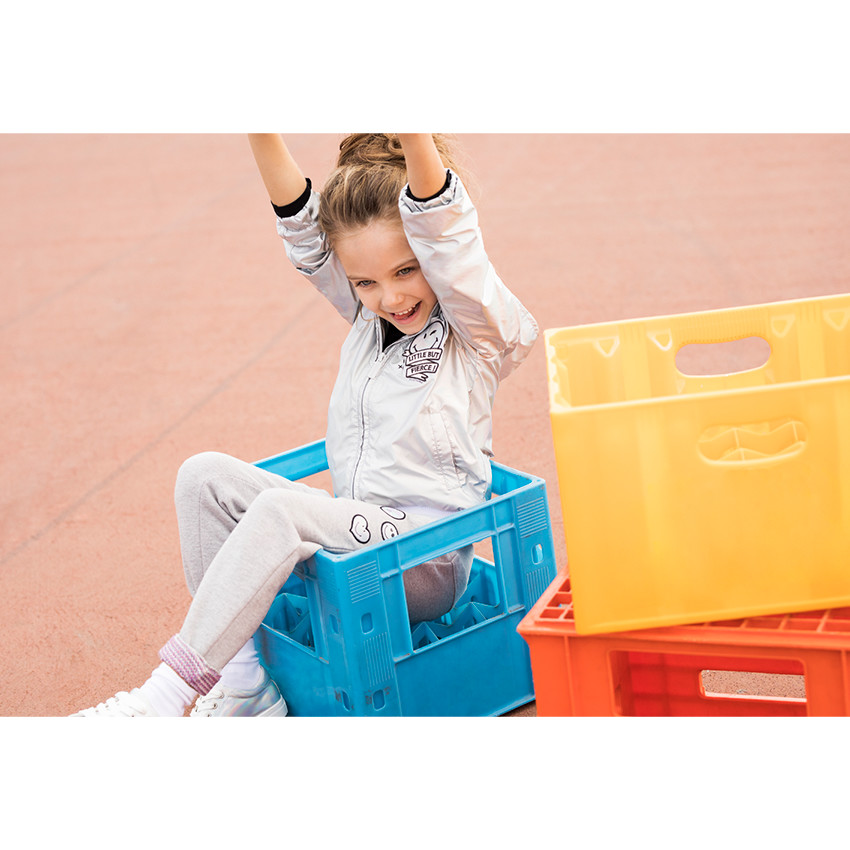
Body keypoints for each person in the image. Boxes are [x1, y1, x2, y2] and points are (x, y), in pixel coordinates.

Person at [72, 133, 538, 717]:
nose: (389, 296)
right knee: (203, 479)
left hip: (425, 557)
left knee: (280, 512)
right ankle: (244, 686)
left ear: (431, 259)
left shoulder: (472, 331)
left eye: (406, 270)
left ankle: (162, 701)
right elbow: (304, 228)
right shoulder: (370, 323)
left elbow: (449, 235)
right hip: (364, 532)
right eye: (366, 282)